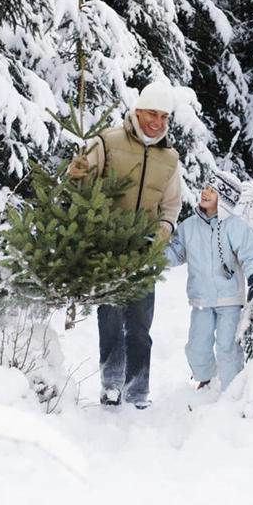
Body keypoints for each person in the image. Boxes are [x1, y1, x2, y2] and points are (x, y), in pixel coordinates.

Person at [68, 81, 182, 409]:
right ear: (137, 112)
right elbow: (82, 183)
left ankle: (137, 390)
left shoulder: (170, 158)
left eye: (163, 116)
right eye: (151, 113)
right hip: (108, 244)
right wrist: (77, 172)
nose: (157, 121)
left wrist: (164, 229)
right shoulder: (108, 141)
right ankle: (111, 384)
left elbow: (171, 203)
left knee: (140, 323)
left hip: (145, 248)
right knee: (110, 316)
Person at [164, 170, 253, 391]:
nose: (206, 193)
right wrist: (154, 254)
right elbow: (175, 254)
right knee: (196, 346)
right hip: (201, 299)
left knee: (226, 347)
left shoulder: (235, 226)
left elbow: (250, 255)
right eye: (206, 188)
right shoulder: (189, 227)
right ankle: (206, 379)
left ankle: (232, 389)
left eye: (213, 191)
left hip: (229, 298)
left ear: (225, 200)